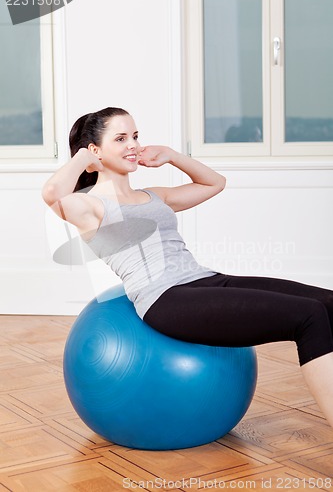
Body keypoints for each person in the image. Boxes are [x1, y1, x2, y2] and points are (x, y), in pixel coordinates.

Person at [42, 106, 333, 428]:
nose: (133, 145)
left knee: (329, 303)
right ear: (95, 149)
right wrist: (84, 157)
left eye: (136, 136)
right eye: (121, 138)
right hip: (166, 298)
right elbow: (53, 193)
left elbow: (214, 183)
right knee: (309, 316)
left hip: (205, 280)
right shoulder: (88, 206)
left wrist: (171, 155)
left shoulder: (153, 195)